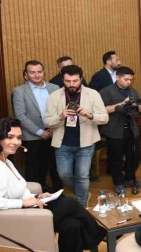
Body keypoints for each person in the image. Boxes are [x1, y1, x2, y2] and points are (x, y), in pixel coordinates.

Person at [0, 118, 105, 252]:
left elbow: (16, 191)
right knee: (68, 203)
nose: (16, 142)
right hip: (9, 221)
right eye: (10, 137)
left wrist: (37, 196)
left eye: (19, 138)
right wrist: (22, 203)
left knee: (71, 225)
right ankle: (100, 234)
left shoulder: (4, 160)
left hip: (19, 212)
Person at [43, 64, 108, 207]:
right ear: (62, 80)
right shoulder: (54, 96)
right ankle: (82, 194)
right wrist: (60, 116)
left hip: (86, 142)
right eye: (68, 81)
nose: (72, 84)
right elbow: (47, 121)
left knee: (82, 176)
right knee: (63, 175)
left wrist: (90, 115)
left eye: (75, 81)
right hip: (62, 143)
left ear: (81, 79)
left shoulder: (93, 94)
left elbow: (105, 118)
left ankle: (81, 205)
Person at [12, 60, 61, 191]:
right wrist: (40, 132)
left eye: (39, 72)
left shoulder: (55, 88)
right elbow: (21, 116)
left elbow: (60, 110)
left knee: (54, 166)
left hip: (54, 133)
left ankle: (55, 192)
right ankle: (35, 193)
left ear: (43, 72)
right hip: (32, 136)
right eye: (32, 72)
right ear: (26, 75)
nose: (37, 75)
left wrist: (53, 128)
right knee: (33, 168)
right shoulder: (19, 91)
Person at [100, 66, 141, 193]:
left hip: (131, 129)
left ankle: (130, 178)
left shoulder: (132, 91)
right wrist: (122, 104)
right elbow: (102, 110)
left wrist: (137, 106)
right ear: (118, 77)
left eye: (131, 80)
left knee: (134, 155)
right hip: (114, 130)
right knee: (116, 158)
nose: (129, 82)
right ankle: (118, 183)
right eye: (126, 79)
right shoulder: (106, 91)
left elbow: (140, 107)